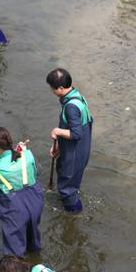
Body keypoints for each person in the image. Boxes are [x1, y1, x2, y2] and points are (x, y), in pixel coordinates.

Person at [0, 128, 44, 255]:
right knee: (33, 236)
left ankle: (17, 271)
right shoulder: (27, 154)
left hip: (14, 208)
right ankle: (36, 257)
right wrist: (23, 151)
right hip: (35, 200)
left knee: (14, 249)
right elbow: (38, 171)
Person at [46, 68, 93, 213]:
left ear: (61, 88)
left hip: (74, 155)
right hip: (79, 150)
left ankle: (74, 216)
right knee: (70, 183)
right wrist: (60, 146)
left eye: (52, 88)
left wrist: (57, 131)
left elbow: (76, 133)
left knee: (67, 189)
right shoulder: (78, 97)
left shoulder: (71, 107)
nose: (52, 91)